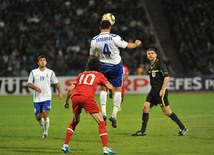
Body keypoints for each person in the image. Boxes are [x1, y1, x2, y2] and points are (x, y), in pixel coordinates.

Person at [90, 19, 142, 128]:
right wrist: (137, 43)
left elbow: (92, 56)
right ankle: (114, 114)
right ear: (110, 28)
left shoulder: (94, 40)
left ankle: (103, 112)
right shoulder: (114, 37)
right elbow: (129, 46)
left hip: (102, 66)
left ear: (100, 28)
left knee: (103, 89)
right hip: (116, 66)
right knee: (118, 89)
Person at [61, 57, 115, 154]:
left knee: (75, 121)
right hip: (87, 98)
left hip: (75, 97)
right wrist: (111, 94)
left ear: (88, 65)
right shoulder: (99, 75)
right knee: (101, 122)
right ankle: (105, 148)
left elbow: (69, 89)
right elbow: (110, 86)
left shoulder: (81, 74)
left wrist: (66, 102)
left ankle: (65, 145)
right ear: (98, 66)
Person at [132, 48, 188, 136]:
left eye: (152, 53)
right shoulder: (151, 65)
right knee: (146, 108)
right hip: (153, 91)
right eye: (149, 53)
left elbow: (167, 77)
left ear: (156, 55)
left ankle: (183, 127)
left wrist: (162, 89)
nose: (150, 55)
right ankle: (143, 131)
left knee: (167, 112)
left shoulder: (160, 64)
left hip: (160, 91)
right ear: (147, 55)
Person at [27, 55, 63, 139]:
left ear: (46, 62)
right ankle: (44, 127)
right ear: (38, 63)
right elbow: (28, 83)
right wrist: (35, 87)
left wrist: (60, 92)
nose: (42, 61)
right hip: (36, 98)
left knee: (45, 113)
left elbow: (56, 83)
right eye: (40, 60)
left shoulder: (50, 72)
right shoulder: (33, 72)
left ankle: (46, 132)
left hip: (46, 97)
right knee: (38, 117)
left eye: (44, 60)